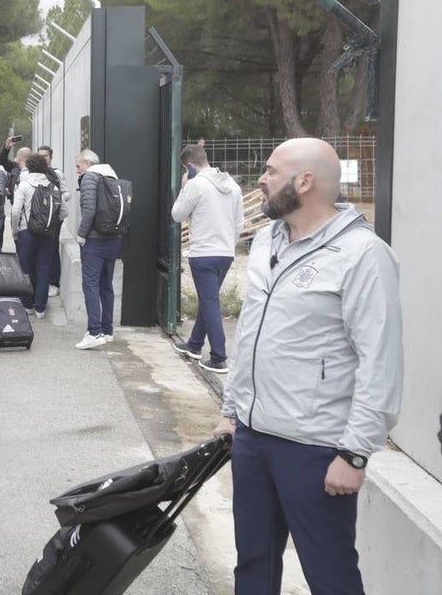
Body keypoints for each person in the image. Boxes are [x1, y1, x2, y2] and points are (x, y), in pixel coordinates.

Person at [213, 137, 402, 595]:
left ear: (304, 181)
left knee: (330, 574)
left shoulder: (363, 255)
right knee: (253, 566)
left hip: (316, 450)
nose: (261, 178)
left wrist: (355, 453)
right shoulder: (264, 241)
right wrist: (231, 411)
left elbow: (381, 362)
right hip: (254, 440)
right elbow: (252, 335)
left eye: (272, 171)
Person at [170, 144, 244, 373]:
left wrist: (184, 186)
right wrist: (229, 244)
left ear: (189, 165)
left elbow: (177, 214)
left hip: (203, 253)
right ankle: (194, 344)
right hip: (225, 252)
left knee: (210, 302)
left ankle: (219, 357)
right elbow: (239, 223)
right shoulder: (233, 185)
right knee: (208, 299)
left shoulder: (195, 185)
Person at [74, 149, 122, 350]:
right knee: (106, 285)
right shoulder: (112, 176)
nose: (77, 171)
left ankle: (94, 332)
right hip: (113, 238)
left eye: (78, 166)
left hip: (94, 240)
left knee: (90, 285)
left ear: (87, 163)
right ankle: (107, 330)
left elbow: (89, 210)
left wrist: (81, 235)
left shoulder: (90, 178)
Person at [11, 153, 63, 318]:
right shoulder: (53, 187)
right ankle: (41, 307)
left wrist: (15, 229)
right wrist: (50, 223)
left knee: (25, 269)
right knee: (43, 269)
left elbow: (15, 211)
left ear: (29, 167)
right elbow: (64, 211)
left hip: (27, 232)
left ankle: (27, 305)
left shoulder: (24, 185)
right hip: (47, 234)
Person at [37, 145, 69, 297]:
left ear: (50, 157)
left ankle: (54, 282)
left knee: (52, 248)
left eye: (45, 155)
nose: (43, 158)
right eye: (40, 156)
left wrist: (56, 200)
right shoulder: (34, 173)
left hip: (54, 216)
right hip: (38, 218)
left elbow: (66, 192)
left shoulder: (57, 173)